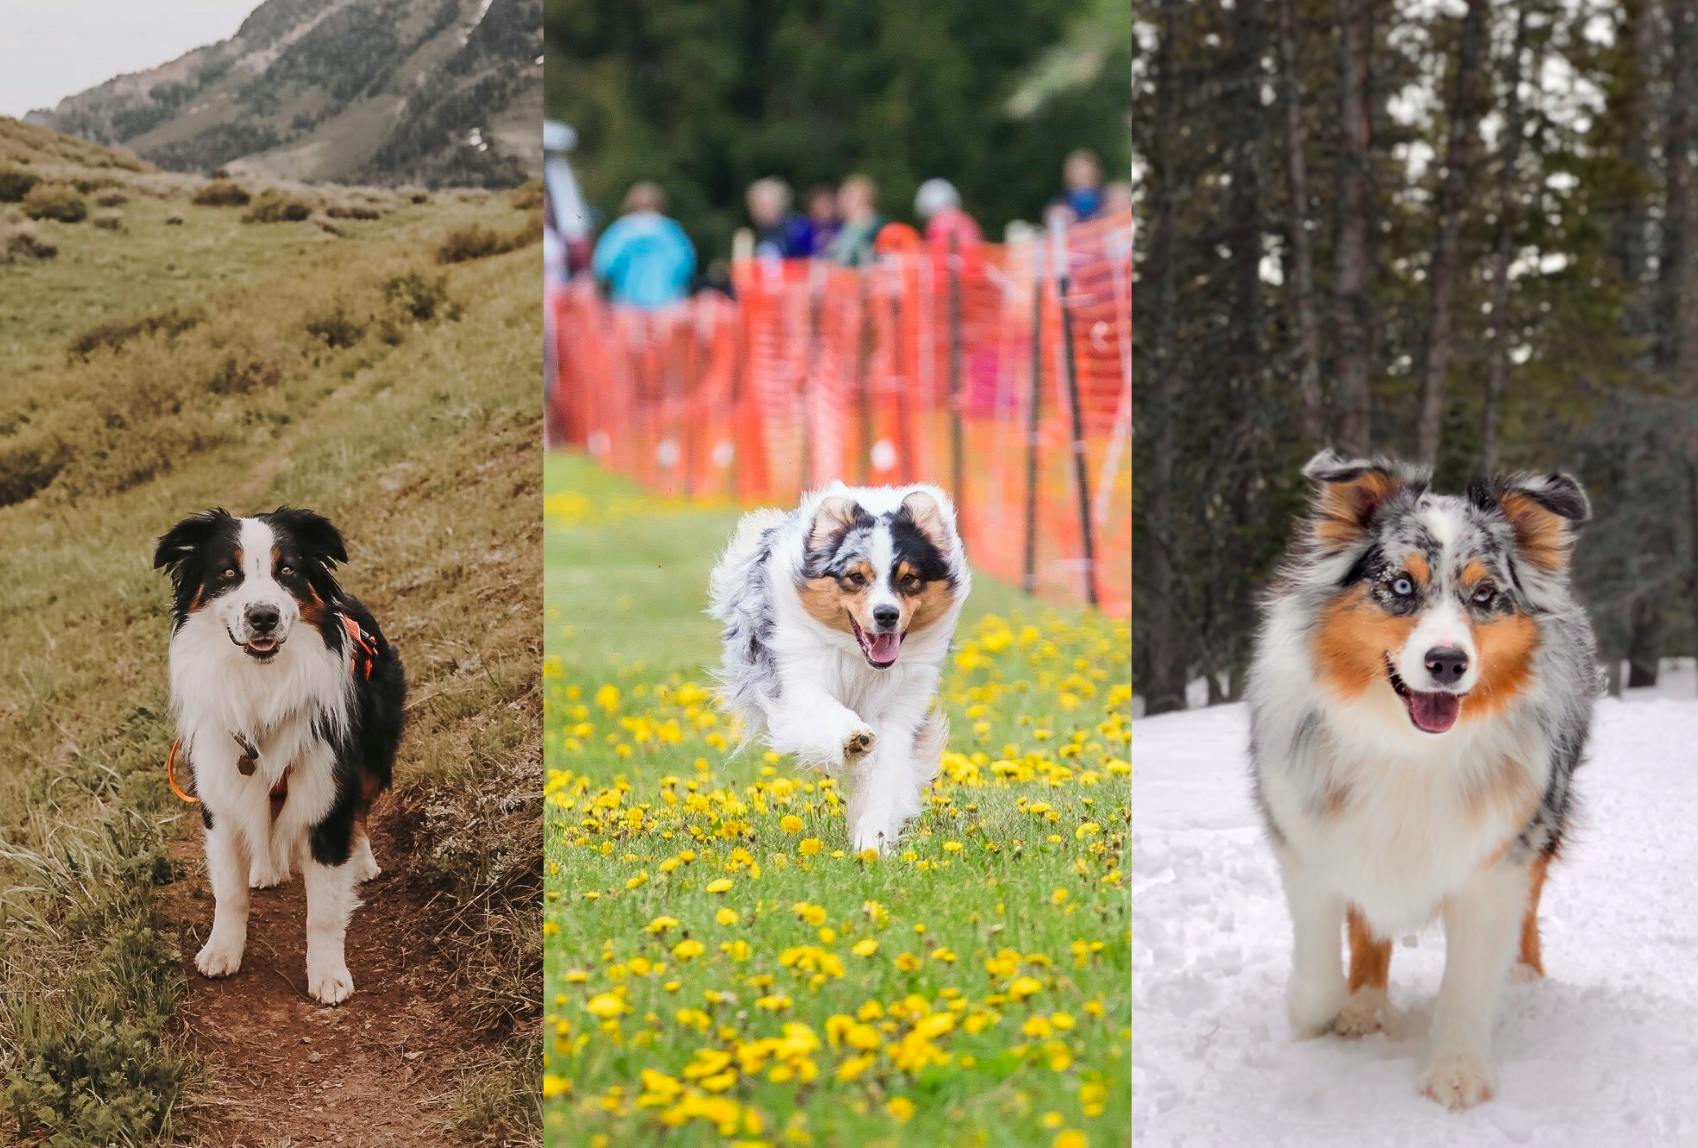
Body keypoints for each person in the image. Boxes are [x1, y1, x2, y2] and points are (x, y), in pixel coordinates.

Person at [590, 182, 695, 308]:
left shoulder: (620, 230)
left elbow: (603, 266)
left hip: (627, 304)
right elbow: (686, 265)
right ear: (660, 204)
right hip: (667, 305)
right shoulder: (670, 230)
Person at [914, 178, 983, 278]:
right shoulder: (966, 220)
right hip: (974, 279)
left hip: (953, 281)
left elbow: (936, 258)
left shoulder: (937, 224)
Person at [746, 178, 814, 260]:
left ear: (782, 204)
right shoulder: (759, 233)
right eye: (756, 205)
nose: (760, 210)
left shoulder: (799, 231)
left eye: (767, 205)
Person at [826, 174, 885, 267]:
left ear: (865, 197)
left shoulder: (879, 226)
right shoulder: (846, 226)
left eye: (849, 195)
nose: (841, 200)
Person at [1047, 148, 1105, 225]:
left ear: (1094, 171)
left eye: (1083, 168)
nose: (1080, 172)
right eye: (1076, 168)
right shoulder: (1060, 201)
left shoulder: (1107, 197)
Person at [805, 184, 839, 256]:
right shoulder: (803, 230)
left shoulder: (841, 228)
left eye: (829, 202)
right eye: (821, 203)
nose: (826, 206)